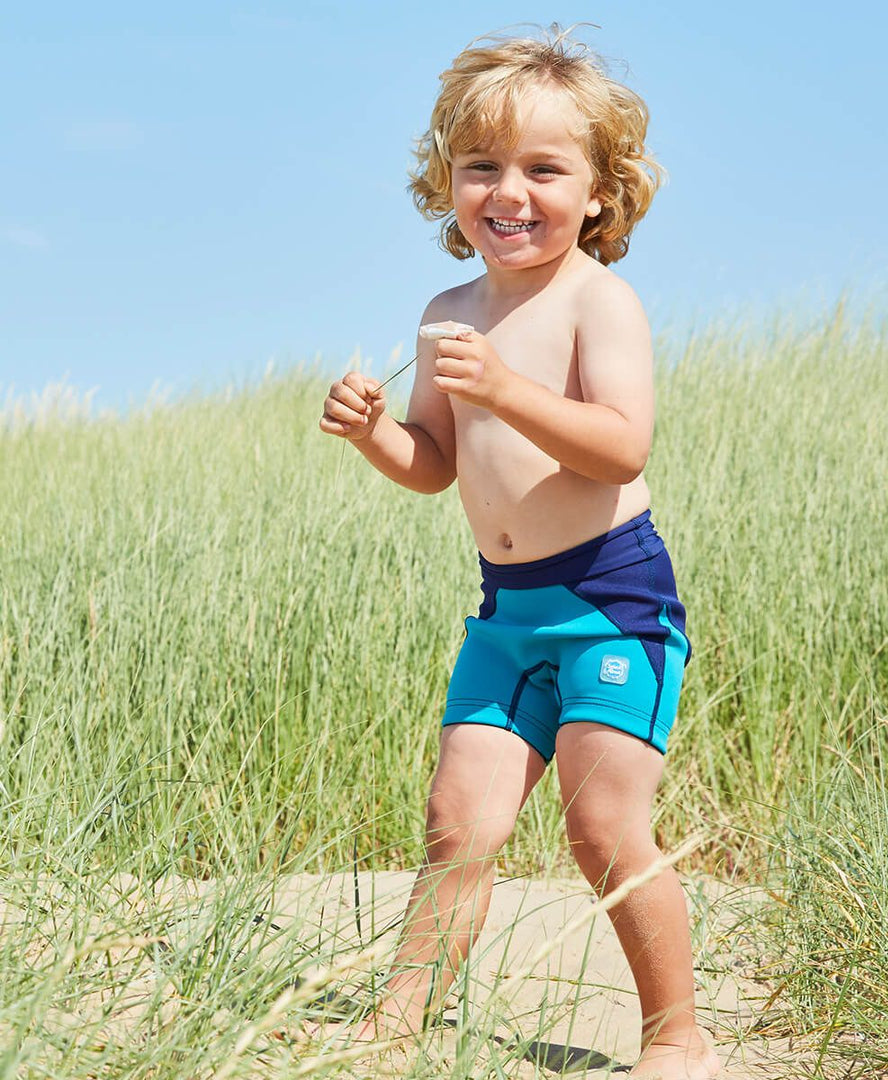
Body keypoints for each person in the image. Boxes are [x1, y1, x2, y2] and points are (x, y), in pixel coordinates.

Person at [316, 27, 722, 1080]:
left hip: (612, 601)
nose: (511, 191)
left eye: (545, 168)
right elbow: (436, 462)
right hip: (507, 612)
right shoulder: (449, 313)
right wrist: (374, 434)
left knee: (601, 829)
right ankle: (397, 1020)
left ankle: (677, 1034)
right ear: (449, 181)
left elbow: (621, 442)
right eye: (483, 166)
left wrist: (506, 389)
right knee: (459, 823)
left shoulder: (598, 301)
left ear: (599, 191)